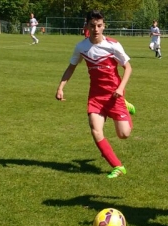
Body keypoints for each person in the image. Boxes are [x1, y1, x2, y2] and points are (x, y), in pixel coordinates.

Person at [56, 11, 135, 179]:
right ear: (87, 27)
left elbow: (128, 68)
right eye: (92, 26)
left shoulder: (113, 45)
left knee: (124, 134)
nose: (96, 29)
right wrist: (61, 87)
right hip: (96, 97)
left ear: (104, 26)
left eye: (99, 26)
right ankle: (117, 166)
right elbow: (71, 67)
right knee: (95, 129)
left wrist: (120, 89)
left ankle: (125, 105)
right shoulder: (81, 47)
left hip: (114, 95)